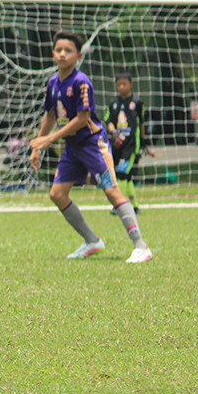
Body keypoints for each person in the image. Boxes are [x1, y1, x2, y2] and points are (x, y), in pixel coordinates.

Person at [29, 31, 152, 263]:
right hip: (72, 147)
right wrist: (38, 146)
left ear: (78, 56)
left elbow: (83, 119)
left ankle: (141, 246)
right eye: (59, 50)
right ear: (53, 53)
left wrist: (50, 139)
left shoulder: (81, 82)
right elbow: (51, 115)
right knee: (57, 194)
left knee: (111, 191)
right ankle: (92, 241)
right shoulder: (53, 83)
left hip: (93, 145)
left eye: (68, 51)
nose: (63, 54)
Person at [105, 70, 149, 213]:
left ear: (131, 84)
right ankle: (135, 206)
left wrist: (143, 143)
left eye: (124, 84)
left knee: (122, 172)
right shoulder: (113, 103)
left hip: (131, 145)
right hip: (118, 145)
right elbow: (109, 121)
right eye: (119, 85)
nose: (121, 87)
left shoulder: (137, 103)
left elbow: (141, 123)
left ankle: (118, 205)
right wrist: (113, 133)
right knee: (127, 177)